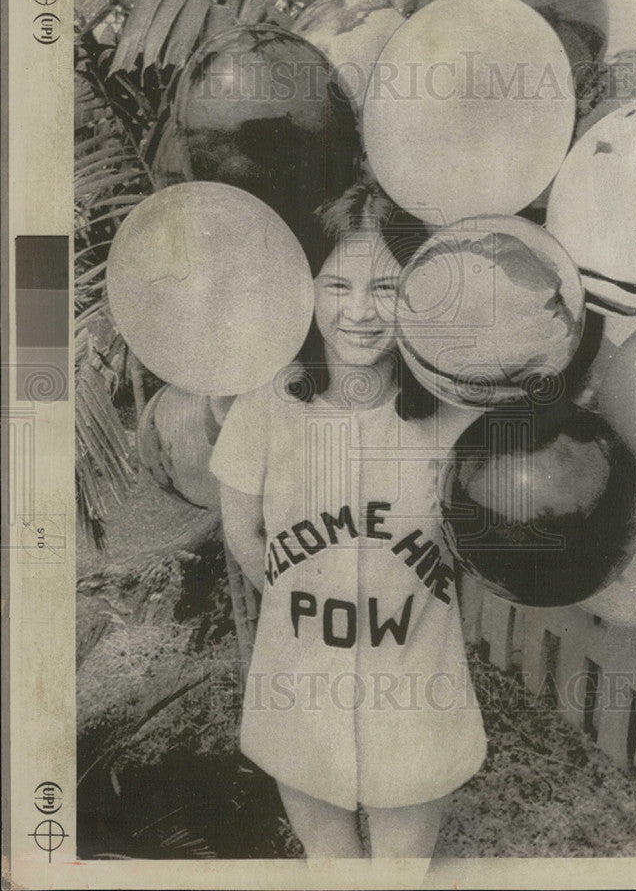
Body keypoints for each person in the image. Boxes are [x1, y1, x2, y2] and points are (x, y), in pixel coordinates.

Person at [210, 183, 487, 859]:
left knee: (400, 870)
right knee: (327, 860)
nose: (359, 312)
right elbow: (243, 532)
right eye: (337, 285)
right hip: (298, 691)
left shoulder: (458, 417)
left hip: (419, 696)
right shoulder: (264, 406)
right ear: (306, 287)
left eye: (386, 290)